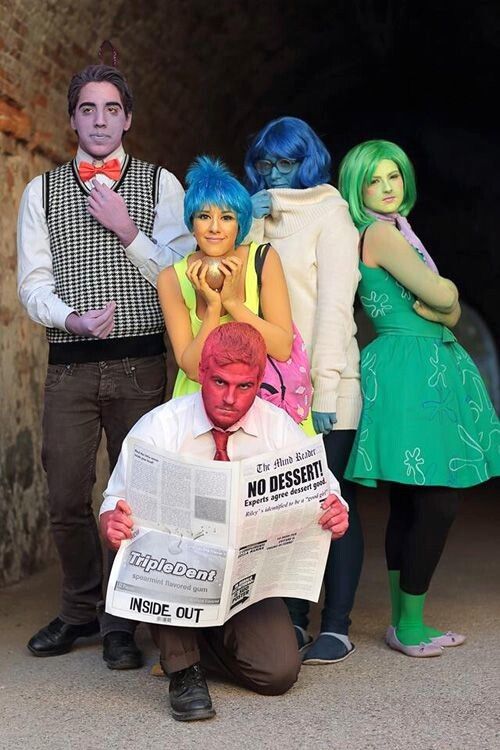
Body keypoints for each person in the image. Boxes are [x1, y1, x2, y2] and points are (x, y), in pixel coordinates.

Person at [17, 63, 194, 668]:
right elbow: (32, 281)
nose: (99, 120)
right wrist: (70, 319)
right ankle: (78, 609)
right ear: (71, 118)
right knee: (66, 493)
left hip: (142, 366)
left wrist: (126, 230)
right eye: (87, 109)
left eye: (111, 109)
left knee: (134, 498)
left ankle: (122, 620)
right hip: (69, 366)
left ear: (128, 118)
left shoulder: (162, 183)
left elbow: (178, 276)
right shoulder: (39, 190)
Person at [99, 322, 349, 721]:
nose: (230, 399)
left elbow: (327, 494)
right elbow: (114, 500)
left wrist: (336, 513)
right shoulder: (161, 425)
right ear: (202, 373)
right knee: (153, 548)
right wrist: (113, 520)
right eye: (218, 382)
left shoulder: (278, 428)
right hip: (179, 575)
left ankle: (192, 644)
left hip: (244, 582)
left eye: (244, 386)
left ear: (260, 381)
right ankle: (184, 668)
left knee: (278, 674)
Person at [338, 139, 500, 657]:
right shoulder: (383, 236)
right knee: (438, 500)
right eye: (374, 180)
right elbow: (445, 298)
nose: (387, 189)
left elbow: (449, 311)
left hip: (418, 364)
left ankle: (406, 622)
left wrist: (444, 307)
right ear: (357, 187)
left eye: (394, 177)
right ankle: (408, 626)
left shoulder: (401, 233)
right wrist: (444, 299)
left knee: (411, 499)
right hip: (410, 369)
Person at [244, 116, 363, 664]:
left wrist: (324, 391)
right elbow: (242, 280)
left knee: (331, 504)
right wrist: (252, 219)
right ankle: (291, 619)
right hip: (272, 390)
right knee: (284, 506)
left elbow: (336, 310)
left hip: (327, 387)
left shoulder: (332, 214)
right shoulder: (257, 211)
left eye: (285, 163)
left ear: (308, 161)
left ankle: (335, 625)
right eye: (265, 163)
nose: (274, 173)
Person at [157, 155, 293, 398]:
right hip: (195, 407)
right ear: (192, 223)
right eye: (204, 216)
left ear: (240, 225)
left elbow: (282, 348)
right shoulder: (171, 279)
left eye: (227, 217)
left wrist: (232, 303)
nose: (215, 228)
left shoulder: (262, 260)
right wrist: (213, 308)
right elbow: (192, 369)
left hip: (258, 405)